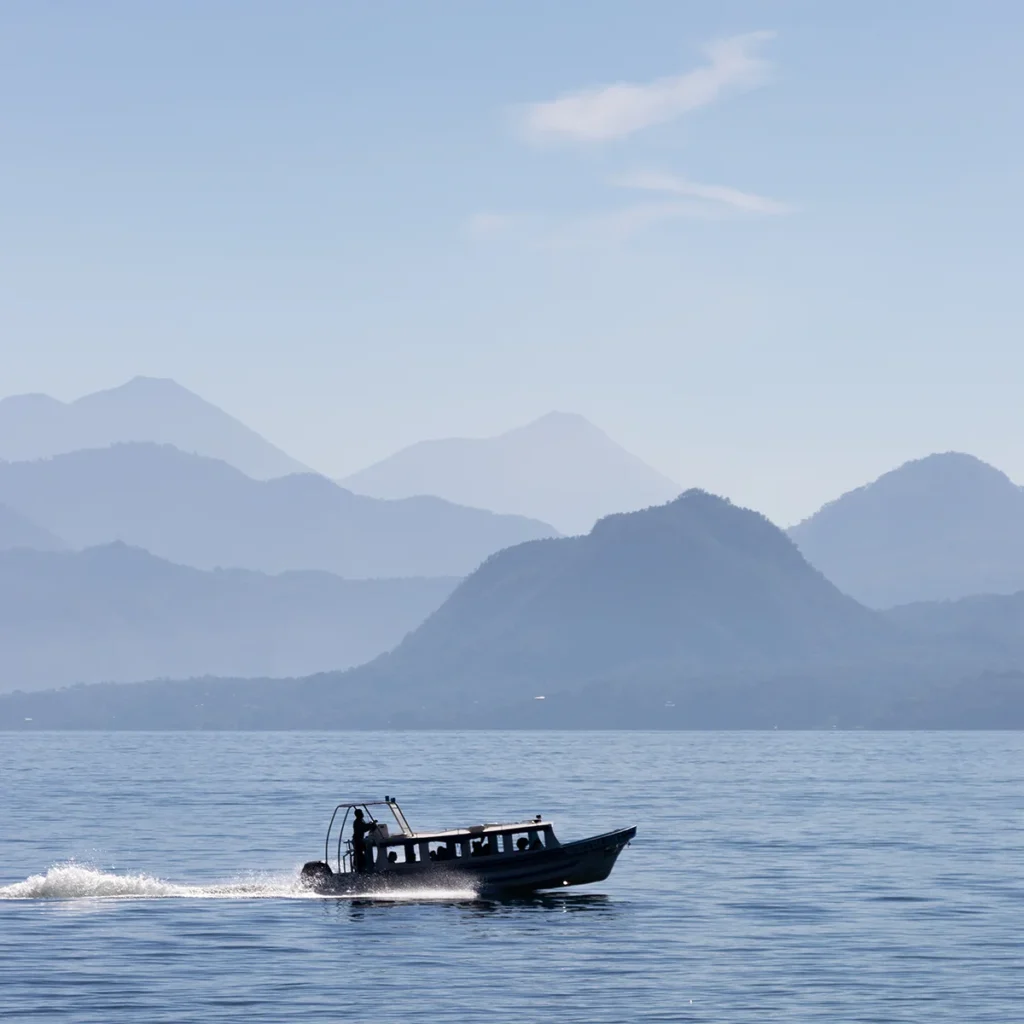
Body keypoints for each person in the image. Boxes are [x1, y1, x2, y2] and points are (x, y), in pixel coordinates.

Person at [351, 808, 373, 872]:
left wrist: (371, 824)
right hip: (357, 840)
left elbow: (365, 826)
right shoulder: (357, 822)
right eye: (361, 813)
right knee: (359, 855)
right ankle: (360, 869)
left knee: (360, 854)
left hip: (359, 840)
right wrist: (372, 825)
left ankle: (361, 868)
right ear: (358, 815)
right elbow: (364, 828)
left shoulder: (360, 821)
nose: (362, 814)